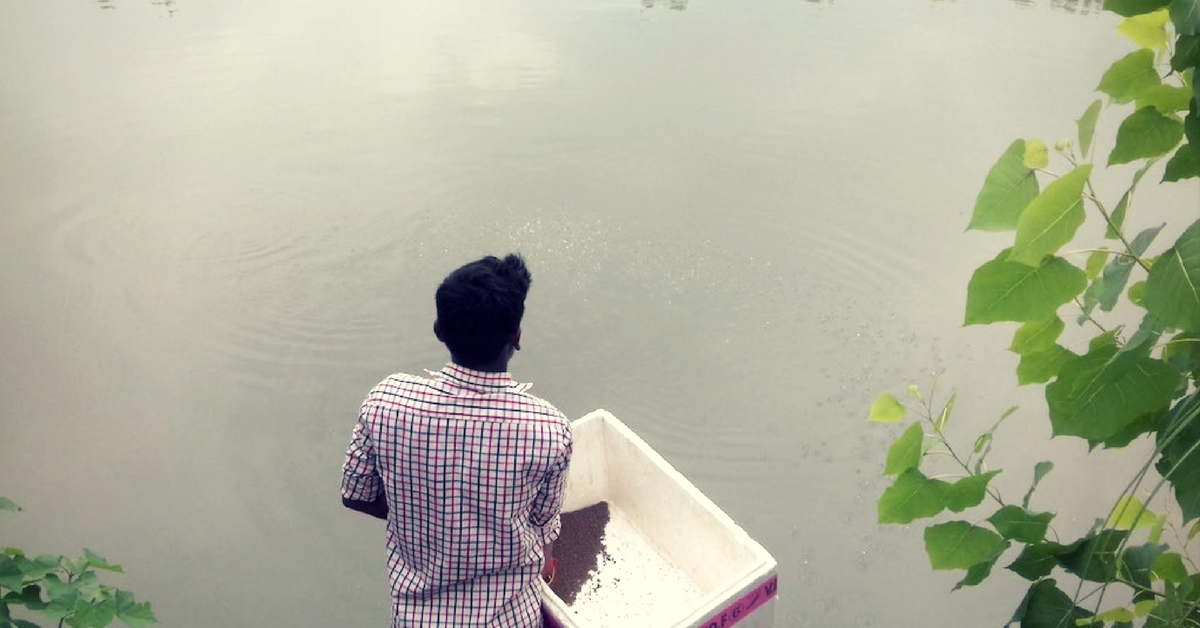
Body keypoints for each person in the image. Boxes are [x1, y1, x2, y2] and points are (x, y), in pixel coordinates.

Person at [341, 253, 572, 628]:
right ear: (517, 338)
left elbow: (356, 494)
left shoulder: (385, 402)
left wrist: (421, 515)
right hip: (509, 619)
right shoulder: (547, 429)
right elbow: (544, 530)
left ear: (438, 329)